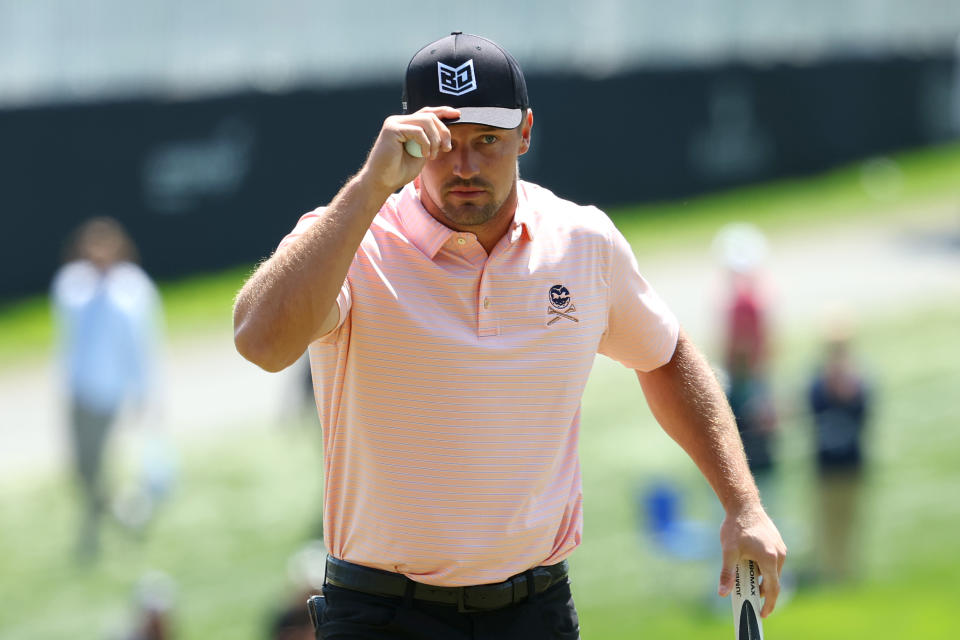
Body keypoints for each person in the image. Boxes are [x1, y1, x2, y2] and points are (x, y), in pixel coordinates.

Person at [233, 32, 786, 639]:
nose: (465, 166)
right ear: (409, 137)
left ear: (524, 133)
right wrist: (369, 187)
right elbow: (260, 341)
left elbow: (666, 355)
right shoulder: (350, 239)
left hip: (535, 609)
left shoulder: (583, 242)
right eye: (443, 144)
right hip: (381, 613)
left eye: (487, 141)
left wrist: (743, 505)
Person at [51, 216, 163, 560]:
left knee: (97, 464)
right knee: (81, 467)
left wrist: (144, 393)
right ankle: (121, 512)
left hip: (108, 393)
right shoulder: (72, 285)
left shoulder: (132, 290)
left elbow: (142, 345)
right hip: (78, 390)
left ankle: (98, 526)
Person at [713, 223, 779, 508]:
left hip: (744, 384)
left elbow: (738, 348)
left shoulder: (742, 301)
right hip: (754, 381)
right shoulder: (757, 297)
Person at [808, 321, 871, 584]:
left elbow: (865, 412)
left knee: (850, 519)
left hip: (851, 462)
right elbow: (813, 410)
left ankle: (846, 571)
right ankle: (828, 572)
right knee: (827, 521)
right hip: (826, 464)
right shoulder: (818, 381)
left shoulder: (859, 378)